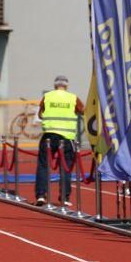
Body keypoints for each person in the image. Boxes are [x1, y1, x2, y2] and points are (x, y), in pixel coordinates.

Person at [34, 75, 83, 207]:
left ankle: (41, 195)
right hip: (66, 137)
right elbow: (82, 110)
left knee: (43, 165)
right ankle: (64, 197)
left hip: (48, 136)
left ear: (55, 85)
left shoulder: (47, 96)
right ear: (66, 85)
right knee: (66, 167)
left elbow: (40, 115)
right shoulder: (73, 98)